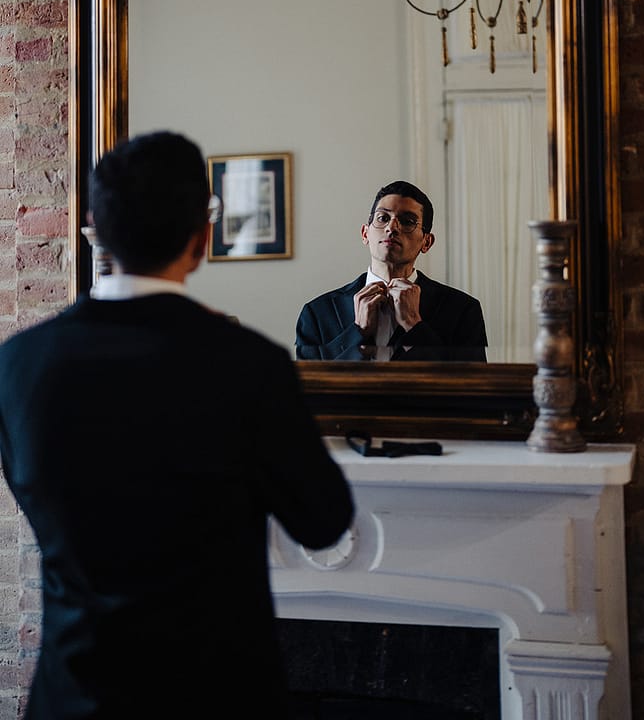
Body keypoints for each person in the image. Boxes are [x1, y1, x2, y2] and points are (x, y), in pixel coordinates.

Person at [0, 131, 353, 720]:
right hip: (217, 695)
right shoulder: (249, 364)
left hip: (73, 696)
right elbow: (323, 523)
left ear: (94, 228)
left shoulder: (17, 364)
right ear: (202, 239)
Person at [296, 180, 487, 362]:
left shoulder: (463, 310)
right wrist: (357, 331)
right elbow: (308, 383)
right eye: (383, 218)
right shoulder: (316, 313)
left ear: (426, 242)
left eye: (407, 221)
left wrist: (415, 325)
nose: (392, 227)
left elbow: (471, 382)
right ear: (365, 234)